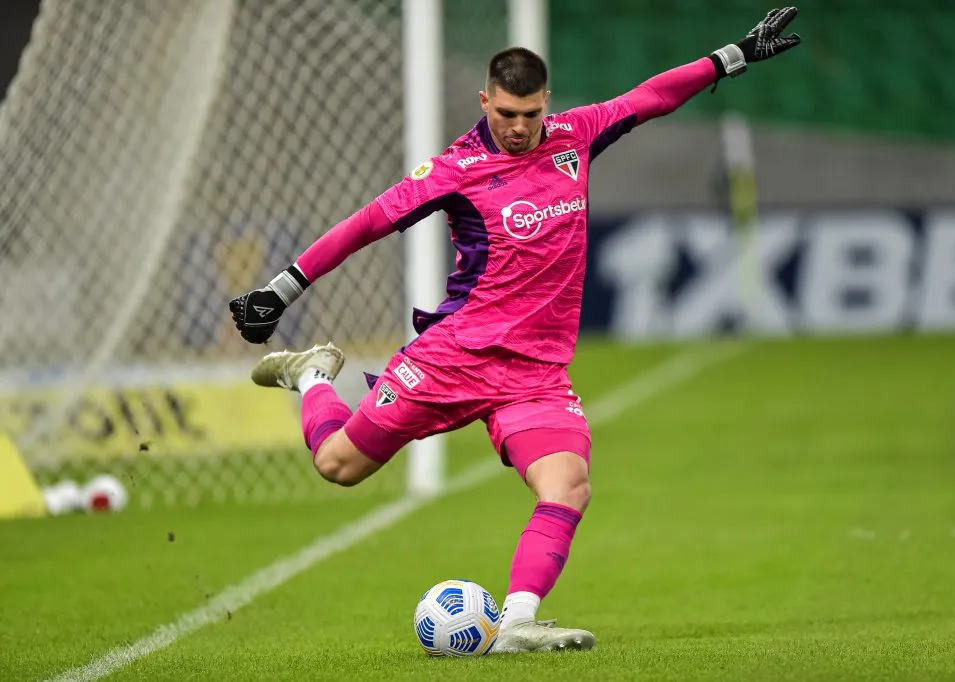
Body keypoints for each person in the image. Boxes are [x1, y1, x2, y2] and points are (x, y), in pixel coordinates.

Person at [229, 8, 801, 654]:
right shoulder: (453, 172)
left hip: (534, 375)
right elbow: (364, 225)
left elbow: (650, 98)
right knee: (339, 466)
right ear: (485, 101)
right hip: (453, 358)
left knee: (568, 486)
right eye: (506, 114)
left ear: (545, 104)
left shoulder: (575, 137)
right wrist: (282, 289)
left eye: (530, 114)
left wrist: (732, 56)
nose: (520, 127)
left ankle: (518, 620)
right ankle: (311, 376)